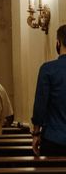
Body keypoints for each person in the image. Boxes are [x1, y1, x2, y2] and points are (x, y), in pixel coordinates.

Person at [32, 24, 66, 156]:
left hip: (53, 138)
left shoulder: (47, 69)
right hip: (54, 137)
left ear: (58, 43)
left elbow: (40, 105)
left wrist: (36, 133)